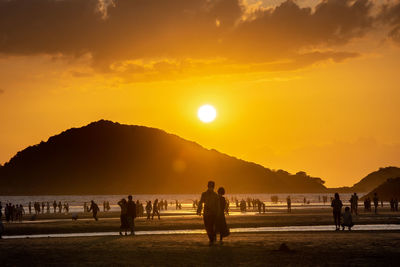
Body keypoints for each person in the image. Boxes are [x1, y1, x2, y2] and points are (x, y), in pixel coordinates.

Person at [197, 181, 219, 245]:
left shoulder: (215, 195)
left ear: (213, 187)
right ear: (208, 186)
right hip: (206, 214)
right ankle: (211, 239)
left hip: (213, 214)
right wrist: (199, 210)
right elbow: (201, 202)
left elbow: (217, 206)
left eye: (212, 187)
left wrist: (218, 213)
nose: (211, 188)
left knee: (212, 227)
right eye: (210, 187)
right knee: (207, 227)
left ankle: (212, 239)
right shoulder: (204, 194)